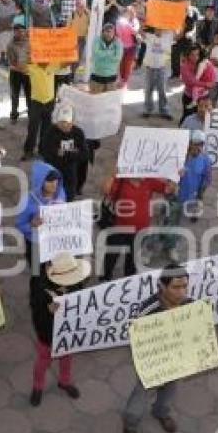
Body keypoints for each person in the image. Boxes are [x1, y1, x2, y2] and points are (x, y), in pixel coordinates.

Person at [122, 265, 191, 433]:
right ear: (162, 286)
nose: (182, 292)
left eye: (185, 286)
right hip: (151, 362)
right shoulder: (147, 309)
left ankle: (161, 412)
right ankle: (130, 425)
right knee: (141, 393)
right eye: (176, 287)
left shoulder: (189, 305)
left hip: (176, 361)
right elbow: (136, 338)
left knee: (170, 389)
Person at [29, 252, 88, 406]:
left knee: (67, 357)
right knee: (43, 361)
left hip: (68, 331)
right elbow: (35, 313)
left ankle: (64, 381)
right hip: (47, 333)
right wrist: (47, 311)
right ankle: (37, 386)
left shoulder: (75, 282)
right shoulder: (38, 285)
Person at [100, 172, 174, 280]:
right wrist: (113, 174)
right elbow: (105, 191)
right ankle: (106, 276)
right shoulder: (121, 180)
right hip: (118, 227)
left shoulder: (149, 181)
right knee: (112, 254)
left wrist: (174, 176)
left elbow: (169, 189)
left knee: (133, 256)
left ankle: (129, 279)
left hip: (140, 229)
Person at [158, 130, 212, 262]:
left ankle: (169, 246)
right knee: (168, 222)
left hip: (189, 199)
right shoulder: (178, 156)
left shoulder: (205, 160)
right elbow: (164, 175)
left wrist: (199, 196)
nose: (198, 147)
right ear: (188, 143)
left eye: (201, 144)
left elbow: (207, 179)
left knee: (177, 223)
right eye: (196, 144)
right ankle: (158, 245)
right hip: (173, 197)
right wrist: (173, 177)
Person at [16, 161, 67, 267]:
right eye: (49, 181)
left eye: (56, 180)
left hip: (54, 241)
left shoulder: (61, 192)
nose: (54, 184)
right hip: (35, 244)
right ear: (40, 182)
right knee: (37, 274)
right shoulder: (27, 201)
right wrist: (31, 225)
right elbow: (19, 225)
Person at [42, 104, 88, 200]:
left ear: (72, 122)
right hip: (54, 170)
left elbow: (84, 154)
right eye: (62, 123)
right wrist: (72, 152)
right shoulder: (50, 132)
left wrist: (63, 153)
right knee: (53, 196)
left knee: (69, 196)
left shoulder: (78, 133)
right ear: (57, 122)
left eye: (67, 123)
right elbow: (46, 153)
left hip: (71, 171)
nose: (65, 125)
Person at [24, 62, 60, 159]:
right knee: (32, 128)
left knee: (47, 128)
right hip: (36, 102)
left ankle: (43, 150)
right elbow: (18, 67)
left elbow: (67, 63)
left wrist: (72, 48)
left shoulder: (53, 65)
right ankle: (28, 150)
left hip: (50, 102)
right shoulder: (31, 66)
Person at [179, 43, 215, 122]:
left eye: (197, 54)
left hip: (204, 97)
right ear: (188, 55)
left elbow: (212, 74)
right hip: (189, 97)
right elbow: (191, 82)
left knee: (203, 119)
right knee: (187, 118)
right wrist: (206, 84)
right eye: (192, 55)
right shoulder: (184, 66)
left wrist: (211, 82)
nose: (195, 57)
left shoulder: (204, 62)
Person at [141, 27, 172, 119]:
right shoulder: (149, 36)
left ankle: (164, 110)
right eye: (156, 29)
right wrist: (143, 25)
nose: (158, 31)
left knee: (162, 89)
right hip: (149, 67)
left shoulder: (168, 37)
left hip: (162, 67)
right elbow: (140, 32)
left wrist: (181, 25)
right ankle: (147, 109)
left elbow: (178, 35)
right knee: (148, 89)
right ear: (154, 30)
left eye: (160, 29)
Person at [7, 23, 31, 124]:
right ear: (15, 32)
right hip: (16, 74)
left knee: (29, 95)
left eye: (23, 31)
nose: (21, 33)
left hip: (28, 73)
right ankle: (14, 115)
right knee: (15, 95)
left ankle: (31, 114)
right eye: (19, 31)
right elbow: (11, 63)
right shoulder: (10, 45)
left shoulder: (29, 41)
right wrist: (21, 69)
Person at [89, 23, 122, 93]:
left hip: (111, 78)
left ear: (114, 33)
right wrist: (111, 52)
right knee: (95, 100)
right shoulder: (96, 40)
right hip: (97, 76)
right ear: (103, 32)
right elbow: (96, 54)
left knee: (109, 102)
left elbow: (117, 57)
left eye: (111, 32)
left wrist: (103, 53)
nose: (108, 34)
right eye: (106, 32)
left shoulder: (118, 42)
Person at [116, 7, 139, 87]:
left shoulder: (134, 21)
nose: (129, 14)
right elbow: (119, 34)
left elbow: (135, 31)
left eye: (130, 12)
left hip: (132, 46)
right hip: (122, 46)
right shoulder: (121, 21)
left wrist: (129, 26)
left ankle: (124, 81)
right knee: (122, 64)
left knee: (128, 65)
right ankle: (121, 80)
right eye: (127, 12)